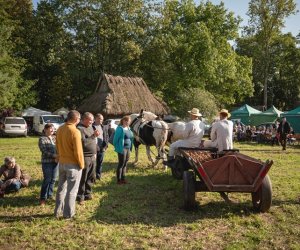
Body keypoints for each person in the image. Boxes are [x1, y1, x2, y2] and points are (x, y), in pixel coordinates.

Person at [54, 110, 84, 219]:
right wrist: (81, 164)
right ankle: (68, 214)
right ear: (76, 119)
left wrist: (59, 157)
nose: (79, 121)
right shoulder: (75, 131)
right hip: (73, 165)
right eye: (80, 119)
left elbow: (57, 146)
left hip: (62, 163)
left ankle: (57, 212)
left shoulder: (60, 129)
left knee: (61, 189)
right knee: (72, 191)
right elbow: (78, 151)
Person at [76, 112, 100, 204]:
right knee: (83, 177)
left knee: (91, 176)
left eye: (92, 120)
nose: (91, 121)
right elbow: (83, 143)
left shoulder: (90, 127)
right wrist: (93, 136)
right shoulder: (80, 129)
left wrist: (96, 149)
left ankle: (88, 193)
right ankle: (80, 196)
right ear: (84, 119)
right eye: (90, 120)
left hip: (92, 155)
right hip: (85, 156)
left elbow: (93, 141)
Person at [38, 123, 58, 205]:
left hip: (56, 162)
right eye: (50, 128)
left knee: (53, 179)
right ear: (45, 129)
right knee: (47, 179)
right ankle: (43, 198)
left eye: (53, 128)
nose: (52, 130)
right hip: (47, 162)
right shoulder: (42, 139)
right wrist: (55, 156)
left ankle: (49, 195)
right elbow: (44, 151)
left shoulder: (55, 138)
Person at [113, 115, 133, 184]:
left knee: (125, 164)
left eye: (129, 121)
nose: (128, 122)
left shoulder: (129, 128)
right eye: (127, 121)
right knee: (121, 164)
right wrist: (117, 147)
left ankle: (123, 178)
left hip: (128, 148)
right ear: (124, 121)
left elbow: (131, 137)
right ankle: (119, 180)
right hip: (122, 148)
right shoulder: (120, 128)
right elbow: (115, 140)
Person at [93, 113, 109, 180]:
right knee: (93, 164)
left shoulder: (104, 127)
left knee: (100, 163)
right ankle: (92, 177)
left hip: (101, 148)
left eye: (102, 119)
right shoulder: (91, 126)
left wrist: (105, 147)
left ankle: (98, 176)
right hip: (93, 149)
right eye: (99, 118)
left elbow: (106, 137)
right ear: (95, 118)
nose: (101, 120)